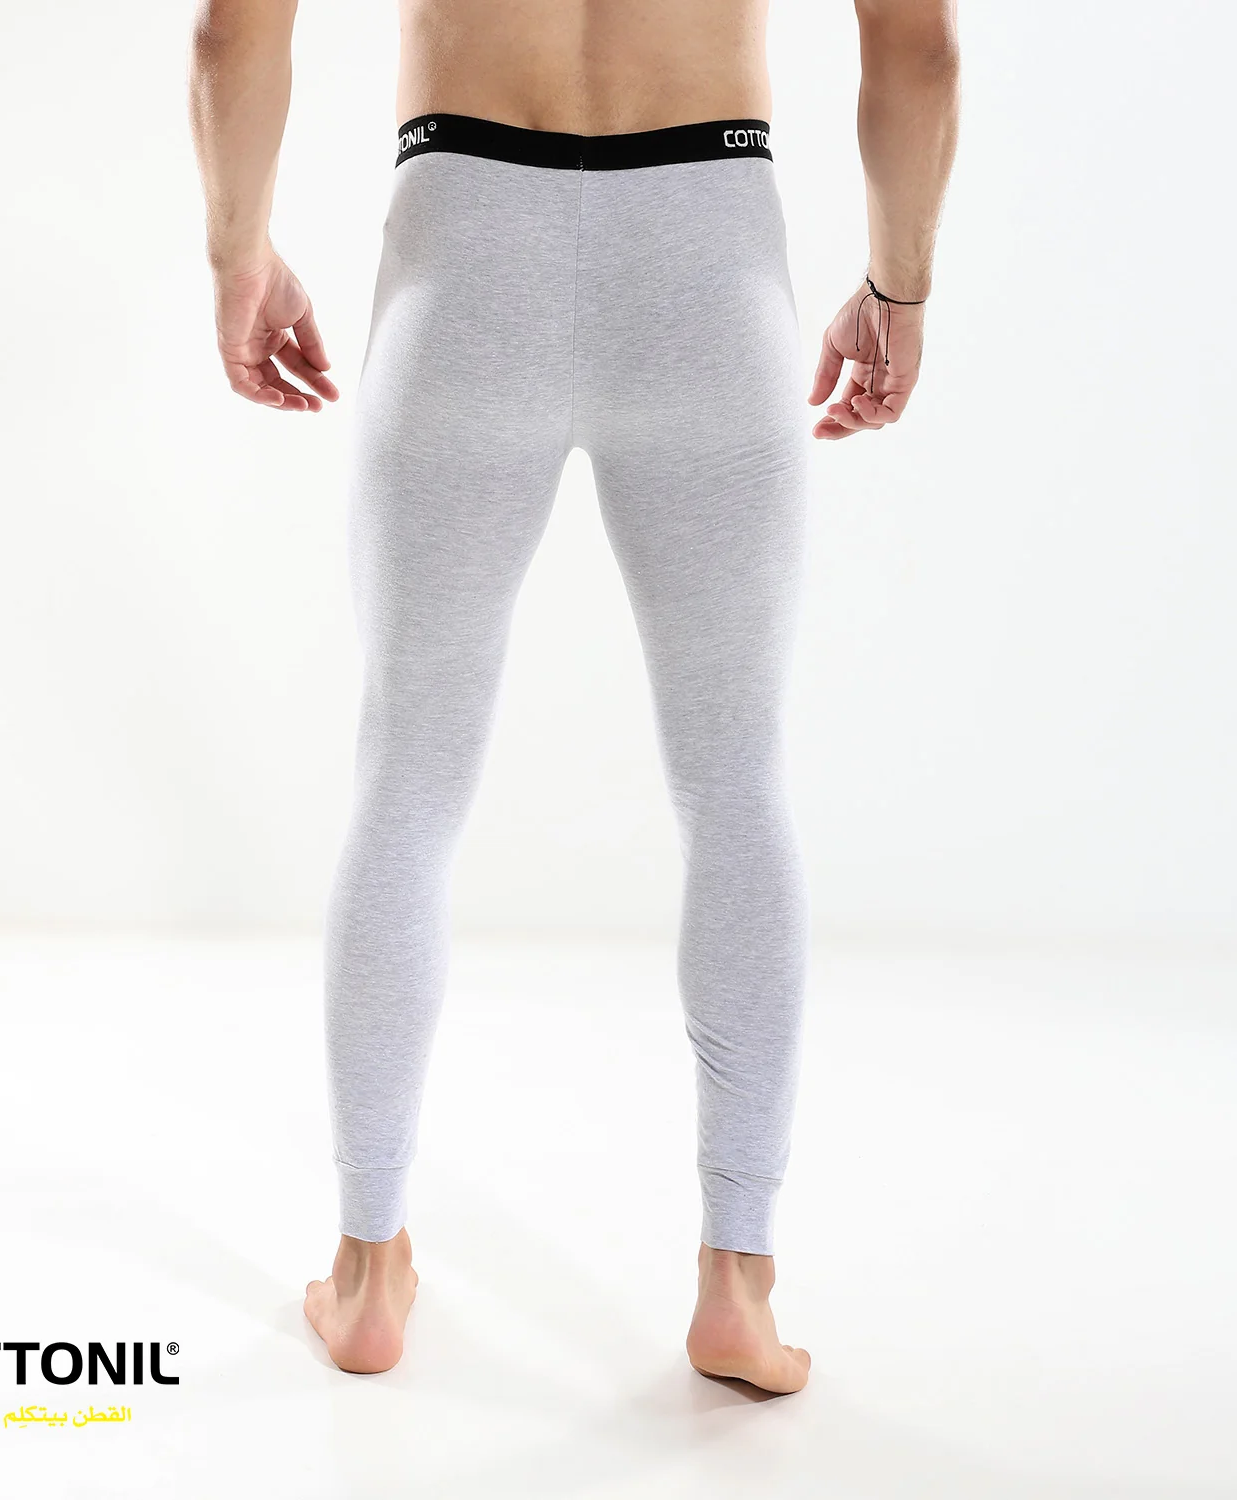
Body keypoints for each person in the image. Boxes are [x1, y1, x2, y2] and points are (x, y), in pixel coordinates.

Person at [189, 0, 959, 1393]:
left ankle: (365, 1274)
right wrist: (898, 288)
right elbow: (919, 48)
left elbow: (230, 33)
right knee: (735, 787)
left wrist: (238, 251)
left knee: (407, 784)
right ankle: (738, 1278)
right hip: (709, 256)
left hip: (467, 249)